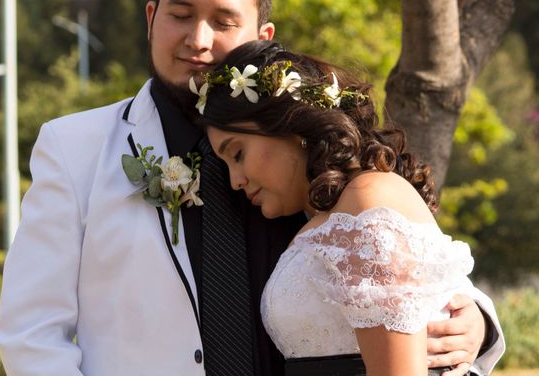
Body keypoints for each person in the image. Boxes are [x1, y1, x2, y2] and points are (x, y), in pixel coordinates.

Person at [0, 0, 503, 375]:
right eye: (180, 14)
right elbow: (32, 334)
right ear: (151, 18)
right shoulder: (73, 147)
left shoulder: (304, 157)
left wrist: (475, 322)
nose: (198, 39)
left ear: (262, 39)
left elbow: (402, 257)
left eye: (222, 21)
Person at [197, 39, 505, 375]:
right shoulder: (334, 213)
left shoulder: (368, 199)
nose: (235, 181)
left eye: (238, 154)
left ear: (288, 124)